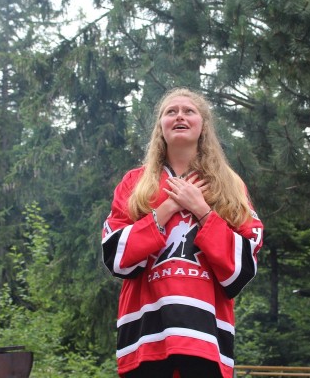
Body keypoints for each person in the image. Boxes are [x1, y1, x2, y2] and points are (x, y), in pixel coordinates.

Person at [101, 88, 264, 378]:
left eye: (189, 111)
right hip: (145, 335)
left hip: (205, 335)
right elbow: (116, 256)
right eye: (171, 111)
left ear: (203, 125)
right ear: (160, 126)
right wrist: (167, 208)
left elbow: (243, 266)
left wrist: (202, 211)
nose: (180, 116)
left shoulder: (229, 184)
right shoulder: (135, 183)